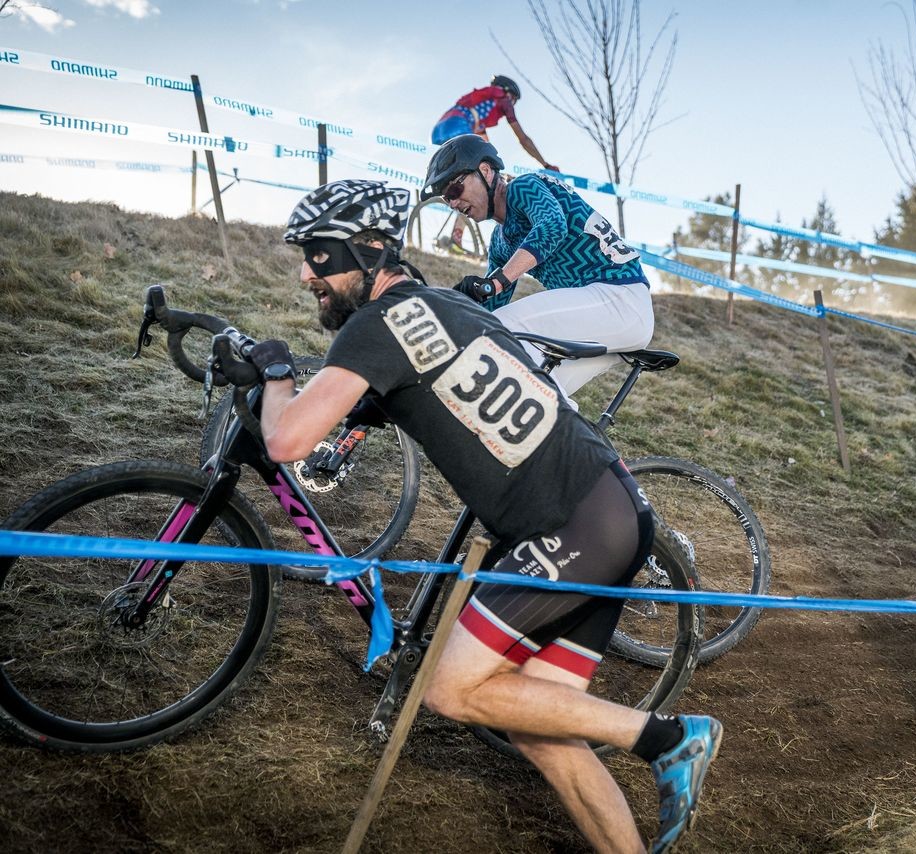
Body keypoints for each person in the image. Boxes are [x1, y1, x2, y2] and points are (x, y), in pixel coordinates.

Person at [250, 178, 720, 853]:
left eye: (320, 257)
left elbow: (287, 441)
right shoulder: (434, 305)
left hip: (569, 525)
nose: (306, 273)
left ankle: (669, 738)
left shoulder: (374, 328)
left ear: (373, 249)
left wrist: (272, 376)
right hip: (606, 509)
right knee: (539, 726)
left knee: (449, 688)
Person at [424, 134, 654, 400]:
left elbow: (552, 227)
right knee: (539, 396)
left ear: (485, 171)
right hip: (607, 312)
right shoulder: (500, 241)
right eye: (445, 199)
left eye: (454, 190)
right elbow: (489, 306)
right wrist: (454, 309)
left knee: (503, 332)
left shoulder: (523, 188)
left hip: (619, 296)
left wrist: (497, 281)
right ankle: (572, 442)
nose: (452, 203)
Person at [431, 75, 559, 253]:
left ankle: (456, 232)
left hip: (442, 127)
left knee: (474, 179)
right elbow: (523, 139)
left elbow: (486, 150)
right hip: (458, 124)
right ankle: (456, 238)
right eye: (514, 100)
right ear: (508, 93)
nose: (512, 105)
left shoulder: (481, 107)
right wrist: (545, 164)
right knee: (478, 188)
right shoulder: (502, 98)